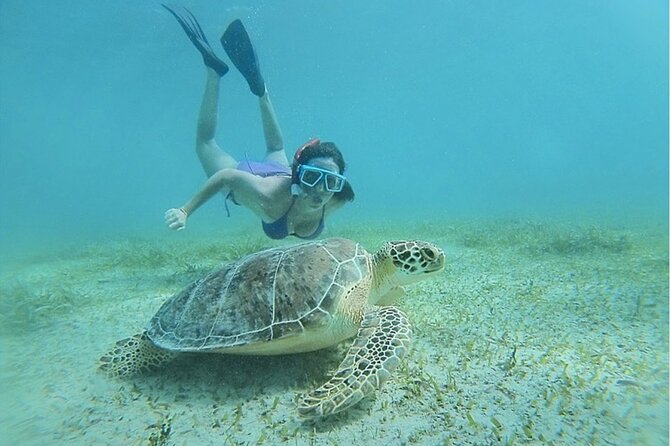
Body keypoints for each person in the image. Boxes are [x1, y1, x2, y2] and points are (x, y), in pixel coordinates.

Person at [162, 5, 354, 239]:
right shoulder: (265, 194)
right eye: (312, 177)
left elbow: (339, 189)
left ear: (339, 183)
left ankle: (261, 91)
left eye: (332, 181)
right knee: (206, 143)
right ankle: (214, 73)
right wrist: (185, 210)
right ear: (298, 175)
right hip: (263, 179)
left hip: (281, 172)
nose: (321, 189)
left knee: (276, 148)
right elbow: (225, 177)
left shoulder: (338, 198)